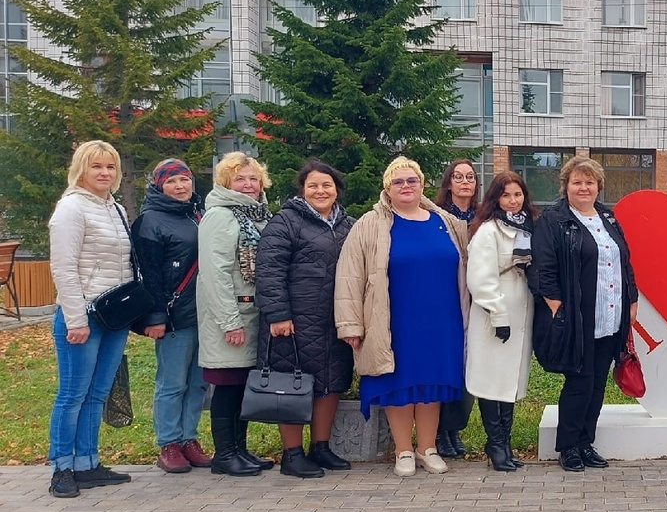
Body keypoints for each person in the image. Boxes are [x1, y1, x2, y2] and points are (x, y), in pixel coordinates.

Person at [336, 156, 469, 477]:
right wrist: (350, 324)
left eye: (412, 181)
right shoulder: (370, 224)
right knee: (400, 383)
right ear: (387, 188)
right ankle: (403, 451)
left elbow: (465, 267)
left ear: (422, 185)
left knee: (432, 383)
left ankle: (427, 448)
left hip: (441, 319)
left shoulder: (447, 222)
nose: (406, 186)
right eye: (398, 182)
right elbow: (349, 276)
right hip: (393, 318)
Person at [529, 157, 638, 472]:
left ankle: (586, 443)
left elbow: (624, 260)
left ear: (598, 186)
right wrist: (555, 305)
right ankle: (568, 446)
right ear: (566, 186)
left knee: (597, 384)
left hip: (610, 314)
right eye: (577, 182)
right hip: (576, 317)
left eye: (589, 182)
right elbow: (542, 268)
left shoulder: (608, 217)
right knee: (579, 381)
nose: (584, 187)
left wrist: (631, 298)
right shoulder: (554, 220)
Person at [256, 159, 356, 478]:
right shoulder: (285, 221)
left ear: (337, 190)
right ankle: (292, 454)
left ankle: (321, 447)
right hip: (295, 320)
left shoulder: (349, 225)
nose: (320, 190)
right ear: (303, 190)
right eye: (313, 185)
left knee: (331, 382)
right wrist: (278, 313)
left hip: (335, 319)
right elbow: (269, 269)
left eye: (326, 185)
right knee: (292, 384)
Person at [46, 140, 135, 498]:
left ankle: (87, 462)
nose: (104, 173)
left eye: (110, 167)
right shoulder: (71, 208)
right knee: (73, 394)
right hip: (82, 315)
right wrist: (75, 319)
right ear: (81, 169)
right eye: (96, 166)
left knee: (98, 393)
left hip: (114, 315)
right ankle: (61, 468)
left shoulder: (115, 208)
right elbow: (63, 268)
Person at [197, 152, 276, 477]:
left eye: (253, 178)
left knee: (242, 384)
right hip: (230, 316)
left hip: (252, 312)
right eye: (239, 178)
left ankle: (239, 449)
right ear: (226, 182)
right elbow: (215, 273)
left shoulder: (258, 215)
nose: (247, 184)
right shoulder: (220, 216)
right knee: (227, 385)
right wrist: (229, 321)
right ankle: (224, 454)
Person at [131, 158, 209, 474]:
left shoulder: (198, 214)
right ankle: (169, 442)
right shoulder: (150, 221)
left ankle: (189, 438)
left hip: (204, 313)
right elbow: (148, 273)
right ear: (159, 186)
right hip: (174, 314)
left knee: (198, 382)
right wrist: (154, 316)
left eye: (184, 180)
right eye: (171, 181)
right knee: (172, 382)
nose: (179, 186)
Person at [466, 171, 538, 471]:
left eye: (517, 194)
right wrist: (498, 314)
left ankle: (505, 442)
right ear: (495, 198)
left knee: (509, 380)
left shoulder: (528, 229)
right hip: (495, 313)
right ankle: (494, 444)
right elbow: (481, 279)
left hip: (522, 309)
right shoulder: (489, 231)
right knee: (491, 380)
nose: (512, 201)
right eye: (506, 195)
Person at [434, 158, 480, 458]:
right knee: (445, 365)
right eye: (458, 176)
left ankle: (455, 426)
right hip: (444, 297)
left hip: (475, 298)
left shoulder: (484, 217)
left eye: (470, 177)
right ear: (448, 182)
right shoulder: (435, 216)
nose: (465, 182)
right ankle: (439, 431)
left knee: (469, 366)